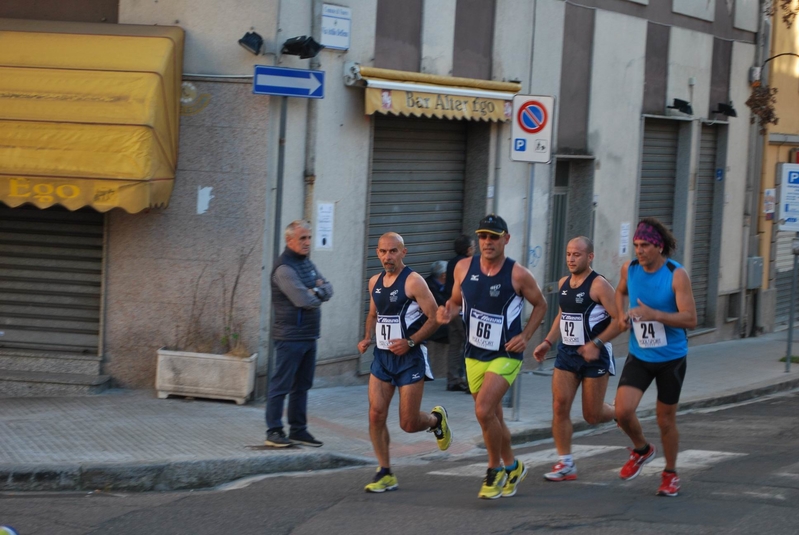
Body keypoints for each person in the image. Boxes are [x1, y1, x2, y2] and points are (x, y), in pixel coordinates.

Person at [437, 214, 547, 499]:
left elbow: (541, 304)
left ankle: (493, 470)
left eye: (493, 237)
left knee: (484, 410)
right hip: (474, 352)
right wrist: (448, 310)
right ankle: (513, 465)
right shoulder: (462, 267)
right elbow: (456, 300)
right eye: (483, 237)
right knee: (493, 417)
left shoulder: (518, 274)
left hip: (505, 354)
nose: (487, 242)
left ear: (506, 240)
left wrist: (525, 336)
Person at [357, 232, 453, 493]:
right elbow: (373, 313)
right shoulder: (374, 281)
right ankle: (385, 471)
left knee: (408, 423)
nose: (388, 256)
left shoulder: (414, 282)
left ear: (403, 252)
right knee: (376, 414)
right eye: (383, 252)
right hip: (382, 359)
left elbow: (434, 318)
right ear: (377, 253)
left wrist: (410, 341)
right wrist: (367, 337)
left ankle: (436, 420)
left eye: (393, 251)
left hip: (410, 359)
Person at [614, 217, 697, 497]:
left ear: (659, 247)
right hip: (640, 354)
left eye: (645, 245)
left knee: (665, 420)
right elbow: (620, 290)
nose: (639, 250)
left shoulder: (676, 274)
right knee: (622, 411)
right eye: (636, 245)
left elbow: (691, 319)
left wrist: (655, 315)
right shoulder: (630, 268)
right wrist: (620, 314)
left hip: (671, 358)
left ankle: (670, 474)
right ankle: (642, 450)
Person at [532, 236, 622, 482]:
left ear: (590, 256)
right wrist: (547, 342)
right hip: (567, 354)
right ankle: (566, 463)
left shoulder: (600, 285)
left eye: (577, 254)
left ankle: (619, 412)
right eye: (569, 254)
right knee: (559, 406)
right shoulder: (563, 283)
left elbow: (620, 320)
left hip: (596, 356)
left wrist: (597, 343)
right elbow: (563, 315)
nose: (571, 259)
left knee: (592, 416)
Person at [266, 220, 334, 448]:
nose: (307, 242)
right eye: (302, 238)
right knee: (281, 386)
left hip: (309, 335)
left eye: (309, 237)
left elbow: (329, 288)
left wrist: (315, 290)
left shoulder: (307, 264)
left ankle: (298, 429)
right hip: (290, 337)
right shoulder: (284, 268)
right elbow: (302, 300)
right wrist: (316, 291)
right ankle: (274, 430)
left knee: (302, 386)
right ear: (289, 240)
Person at [443, 235, 476, 392]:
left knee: (455, 344)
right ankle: (472, 382)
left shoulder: (451, 263)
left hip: (451, 307)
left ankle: (453, 379)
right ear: (469, 249)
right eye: (473, 247)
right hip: (463, 308)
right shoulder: (467, 264)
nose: (475, 249)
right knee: (471, 343)